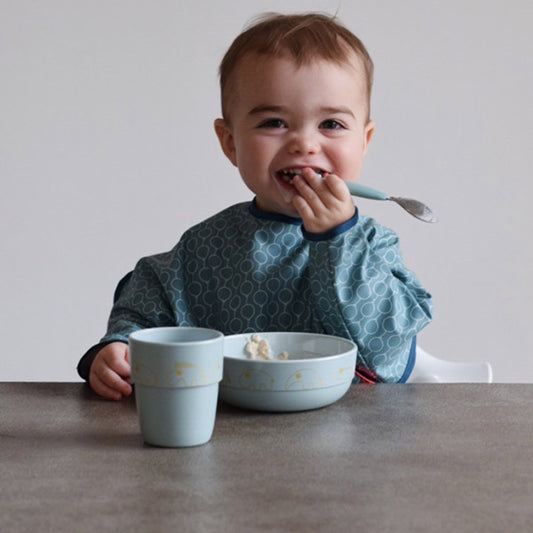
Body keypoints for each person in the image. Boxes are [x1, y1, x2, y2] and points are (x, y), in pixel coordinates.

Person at [78, 12, 433, 400]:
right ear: (230, 142)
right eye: (274, 122)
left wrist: (338, 240)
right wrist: (117, 350)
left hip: (344, 435)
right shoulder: (204, 248)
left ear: (364, 141)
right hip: (227, 434)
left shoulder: (372, 246)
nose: (304, 144)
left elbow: (387, 356)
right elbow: (146, 307)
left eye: (331, 124)